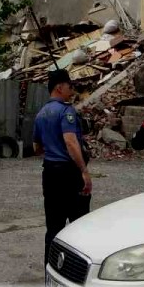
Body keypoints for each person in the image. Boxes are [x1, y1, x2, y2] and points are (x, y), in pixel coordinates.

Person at [32, 69, 91, 262]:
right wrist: (83, 171)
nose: (71, 90)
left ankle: (49, 268)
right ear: (59, 87)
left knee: (54, 226)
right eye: (69, 86)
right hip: (69, 174)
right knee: (79, 225)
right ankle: (75, 270)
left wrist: (52, 147)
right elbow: (71, 142)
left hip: (50, 173)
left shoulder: (40, 114)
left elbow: (36, 148)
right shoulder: (66, 111)